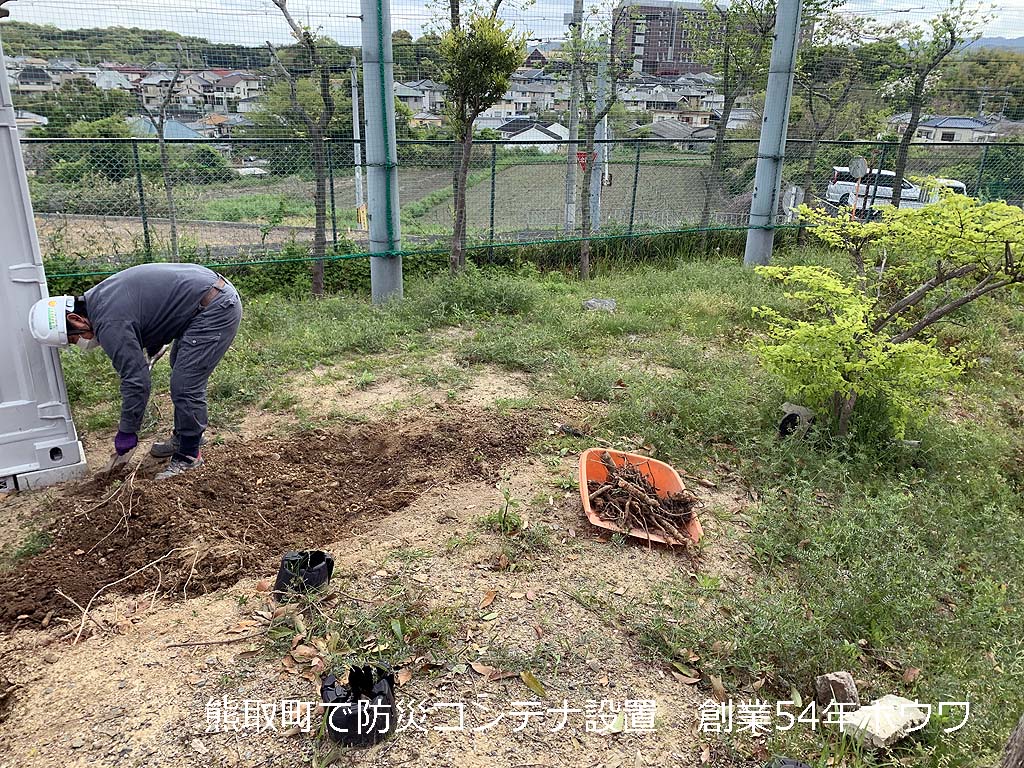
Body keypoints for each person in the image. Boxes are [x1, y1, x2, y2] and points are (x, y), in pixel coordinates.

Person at [29, 263, 242, 480]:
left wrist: (127, 431)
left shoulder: (108, 322)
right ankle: (184, 437)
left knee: (186, 385)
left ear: (75, 319)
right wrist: (155, 340)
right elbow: (147, 308)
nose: (80, 342)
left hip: (215, 306)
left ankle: (189, 455)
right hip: (205, 295)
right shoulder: (98, 299)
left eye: (74, 338)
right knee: (181, 366)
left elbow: (136, 381)